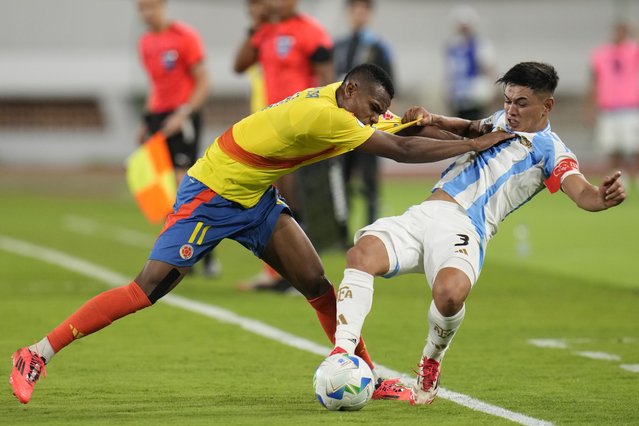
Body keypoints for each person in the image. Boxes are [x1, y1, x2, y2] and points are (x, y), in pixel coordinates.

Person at [9, 63, 512, 405]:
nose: (373, 115)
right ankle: (37, 352)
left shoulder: (347, 104)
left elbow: (401, 130)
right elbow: (400, 150)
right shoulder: (328, 115)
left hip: (255, 198)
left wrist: (469, 131)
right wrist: (480, 141)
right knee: (146, 290)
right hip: (212, 194)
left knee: (317, 284)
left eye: (380, 108)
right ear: (351, 90)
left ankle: (364, 374)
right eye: (371, 106)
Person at [329, 62, 627, 405]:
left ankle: (431, 360)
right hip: (426, 212)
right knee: (361, 255)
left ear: (548, 106)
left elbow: (582, 193)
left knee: (450, 295)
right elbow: (471, 127)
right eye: (507, 100)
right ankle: (341, 353)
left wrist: (602, 198)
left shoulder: (553, 151)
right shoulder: (500, 122)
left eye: (521, 103)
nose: (510, 110)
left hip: (466, 228)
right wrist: (434, 119)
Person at [234, 0, 345, 292]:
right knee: (278, 197)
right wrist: (255, 27)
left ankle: (301, 274)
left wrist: (326, 121)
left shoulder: (310, 31)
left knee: (292, 198)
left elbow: (326, 79)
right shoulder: (266, 31)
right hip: (271, 126)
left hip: (299, 125)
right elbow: (239, 64)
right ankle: (284, 274)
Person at [136, 0, 220, 277]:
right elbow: (156, 86)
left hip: (182, 117)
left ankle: (207, 253)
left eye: (150, 7)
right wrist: (145, 121)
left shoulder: (185, 37)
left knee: (186, 184)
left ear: (162, 5)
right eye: (141, 8)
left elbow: (203, 81)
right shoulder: (146, 42)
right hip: (158, 117)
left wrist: (182, 114)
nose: (146, 13)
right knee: (163, 189)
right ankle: (178, 252)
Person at [334, 0, 394, 229]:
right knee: (341, 180)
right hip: (342, 123)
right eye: (354, 11)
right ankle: (341, 232)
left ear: (369, 14)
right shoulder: (339, 46)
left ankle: (371, 230)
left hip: (368, 124)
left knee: (369, 181)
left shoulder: (378, 48)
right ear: (349, 14)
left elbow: (389, 85)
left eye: (363, 11)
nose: (358, 15)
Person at [586, 21, 639, 186]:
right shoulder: (601, 54)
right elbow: (594, 81)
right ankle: (619, 180)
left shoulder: (634, 50)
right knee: (612, 148)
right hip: (608, 109)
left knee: (635, 147)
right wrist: (589, 108)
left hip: (631, 108)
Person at [444, 4, 497, 120]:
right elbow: (450, 72)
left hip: (475, 95)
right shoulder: (453, 46)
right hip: (458, 96)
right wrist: (448, 92)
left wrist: (492, 90)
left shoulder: (480, 44)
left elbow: (488, 68)